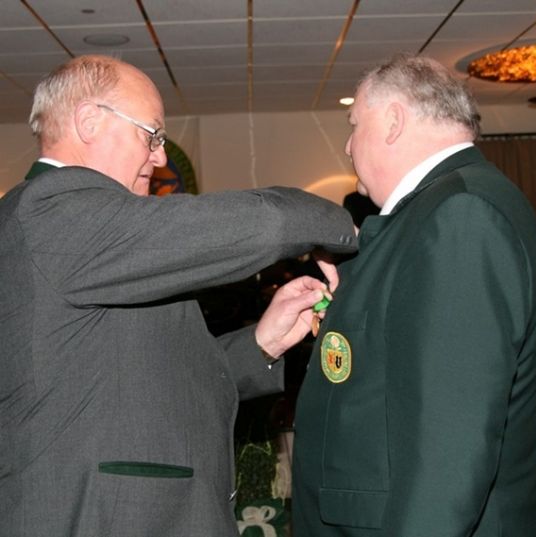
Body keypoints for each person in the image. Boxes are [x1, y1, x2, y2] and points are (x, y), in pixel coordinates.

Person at [0, 55, 356, 536]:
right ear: (89, 122)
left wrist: (260, 344)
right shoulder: (51, 212)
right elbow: (263, 225)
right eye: (151, 135)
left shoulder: (73, 234)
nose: (160, 158)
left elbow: (139, 380)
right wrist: (342, 224)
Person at [290, 54, 536, 536]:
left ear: (393, 121)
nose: (348, 145)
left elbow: (448, 448)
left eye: (354, 125)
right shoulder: (439, 210)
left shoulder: (460, 216)